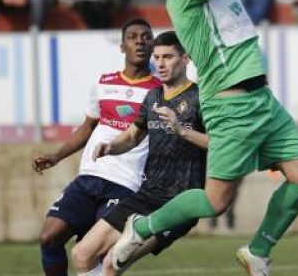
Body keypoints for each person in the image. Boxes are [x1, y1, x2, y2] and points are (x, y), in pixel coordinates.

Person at [110, 0, 298, 276]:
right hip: (229, 107)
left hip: (262, 101)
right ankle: (142, 226)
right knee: (215, 201)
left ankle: (258, 251)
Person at [71, 31, 207, 275]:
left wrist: (181, 130)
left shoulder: (201, 98)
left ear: (185, 58)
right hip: (146, 195)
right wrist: (111, 146)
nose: (161, 63)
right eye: (157, 57)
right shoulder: (153, 96)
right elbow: (133, 135)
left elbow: (220, 144)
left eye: (168, 56)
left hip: (179, 202)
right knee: (82, 254)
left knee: (112, 263)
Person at [32, 19, 159, 276]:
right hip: (88, 178)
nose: (139, 41)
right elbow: (87, 127)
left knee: (93, 255)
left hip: (127, 184)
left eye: (146, 36)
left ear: (153, 44)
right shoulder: (102, 82)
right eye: (133, 37)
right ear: (122, 46)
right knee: (49, 237)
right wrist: (56, 156)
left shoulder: (160, 90)